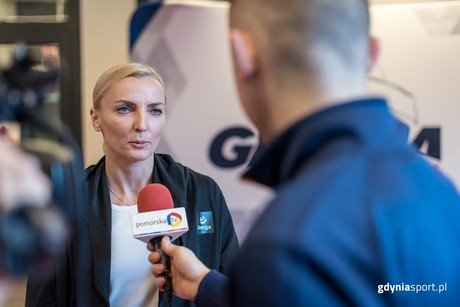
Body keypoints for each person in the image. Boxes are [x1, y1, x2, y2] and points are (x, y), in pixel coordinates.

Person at [149, 0, 460, 306]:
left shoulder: (288, 239)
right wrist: (205, 285)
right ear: (371, 53)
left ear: (243, 54)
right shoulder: (442, 194)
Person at [25, 63, 239, 307]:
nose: (142, 124)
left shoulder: (201, 192)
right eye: (125, 109)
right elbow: (43, 297)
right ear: (96, 118)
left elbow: (233, 288)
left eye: (155, 111)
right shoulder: (69, 200)